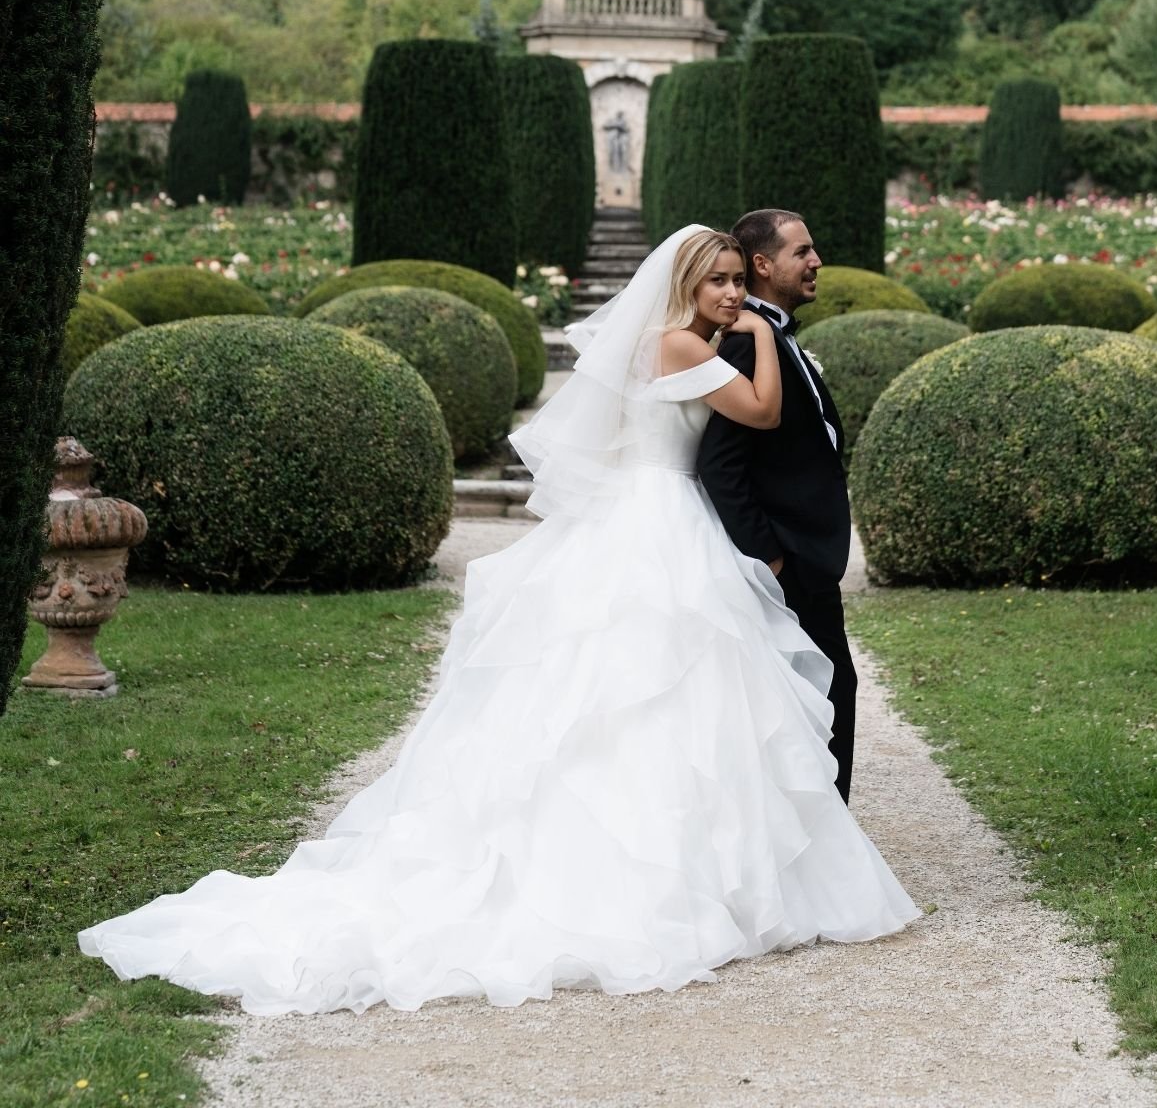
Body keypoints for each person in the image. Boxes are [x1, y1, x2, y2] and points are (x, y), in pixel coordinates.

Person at [78, 225, 918, 1014]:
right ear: (686, 285)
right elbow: (763, 413)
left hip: (653, 516)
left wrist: (749, 330)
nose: (734, 295)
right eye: (721, 282)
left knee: (659, 691)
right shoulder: (678, 344)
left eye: (740, 282)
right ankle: (650, 879)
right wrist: (764, 336)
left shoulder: (660, 343)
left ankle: (699, 866)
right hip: (658, 522)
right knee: (649, 684)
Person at [698, 209, 857, 799]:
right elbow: (720, 462)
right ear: (763, 264)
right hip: (786, 562)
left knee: (824, 692)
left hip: (807, 557)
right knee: (822, 694)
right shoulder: (746, 345)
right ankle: (822, 845)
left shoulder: (775, 335)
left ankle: (821, 838)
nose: (816, 262)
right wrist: (769, 557)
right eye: (803, 252)